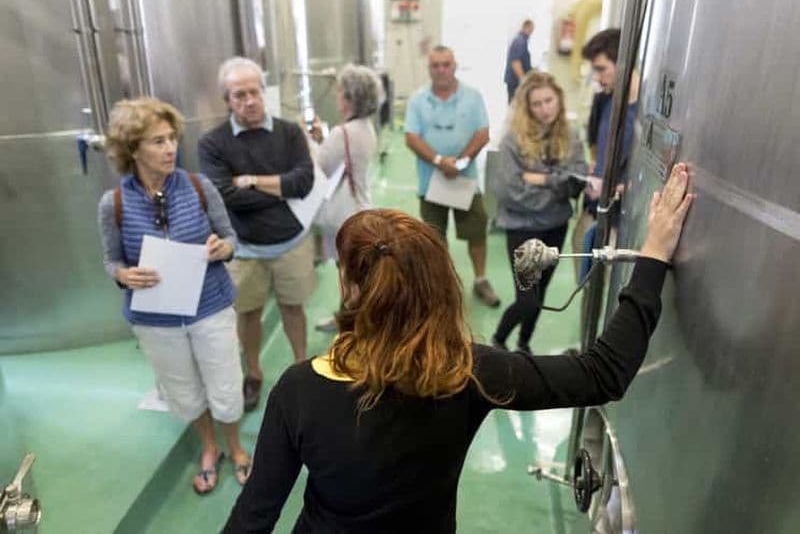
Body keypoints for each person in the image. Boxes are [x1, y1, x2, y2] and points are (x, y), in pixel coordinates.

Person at [222, 163, 694, 533]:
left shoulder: (300, 387)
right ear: (441, 285)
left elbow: (254, 516)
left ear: (348, 288)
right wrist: (653, 256)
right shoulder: (467, 371)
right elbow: (603, 372)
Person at [97, 98, 251, 495]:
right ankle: (209, 446)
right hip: (156, 320)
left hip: (210, 308)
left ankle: (235, 446)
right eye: (157, 141)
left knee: (226, 386)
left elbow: (231, 238)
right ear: (132, 149)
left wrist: (224, 248)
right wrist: (123, 275)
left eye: (172, 139)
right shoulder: (113, 203)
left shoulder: (199, 187)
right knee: (183, 390)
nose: (170, 149)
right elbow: (112, 260)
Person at [198, 57, 315, 412]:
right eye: (239, 95)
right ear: (227, 101)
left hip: (290, 242)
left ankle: (300, 370)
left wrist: (249, 181)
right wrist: (278, 189)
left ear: (264, 92)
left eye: (254, 92)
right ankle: (253, 373)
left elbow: (303, 183)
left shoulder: (289, 132)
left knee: (293, 308)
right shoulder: (212, 144)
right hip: (243, 248)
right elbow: (222, 195)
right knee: (247, 314)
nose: (249, 100)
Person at [491, 72, 587, 354]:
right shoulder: (513, 141)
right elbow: (509, 190)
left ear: (559, 99)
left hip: (556, 227)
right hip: (523, 229)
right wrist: (557, 185)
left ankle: (523, 344)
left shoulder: (571, 137)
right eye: (537, 104)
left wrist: (541, 179)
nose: (545, 108)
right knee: (527, 299)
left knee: (541, 293)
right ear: (527, 107)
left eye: (549, 101)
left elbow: (577, 178)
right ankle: (498, 340)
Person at [405, 45, 500, 308]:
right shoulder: (418, 100)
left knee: (476, 232)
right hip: (430, 182)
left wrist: (461, 161)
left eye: (446, 64)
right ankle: (442, 287)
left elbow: (483, 133)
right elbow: (411, 137)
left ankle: (480, 279)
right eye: (435, 65)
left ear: (455, 65)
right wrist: (438, 161)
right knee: (435, 238)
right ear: (429, 69)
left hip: (464, 180)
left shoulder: (472, 96)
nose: (441, 70)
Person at [306, 64, 383, 333]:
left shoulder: (344, 133)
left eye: (340, 92)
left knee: (348, 274)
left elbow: (320, 167)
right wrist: (323, 140)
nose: (337, 96)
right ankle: (346, 319)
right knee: (351, 271)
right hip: (360, 205)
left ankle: (352, 327)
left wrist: (309, 142)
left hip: (344, 214)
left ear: (350, 97)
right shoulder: (364, 128)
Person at [571, 28, 640, 280]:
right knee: (587, 286)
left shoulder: (645, 113)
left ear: (622, 63)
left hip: (622, 222)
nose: (597, 78)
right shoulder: (604, 102)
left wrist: (621, 187)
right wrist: (595, 169)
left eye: (601, 69)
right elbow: (596, 145)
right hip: (593, 211)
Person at [504, 19, 535, 102]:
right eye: (531, 29)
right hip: (515, 82)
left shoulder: (521, 41)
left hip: (515, 81)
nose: (532, 32)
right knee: (516, 106)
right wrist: (523, 79)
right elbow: (515, 62)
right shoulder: (519, 41)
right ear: (527, 27)